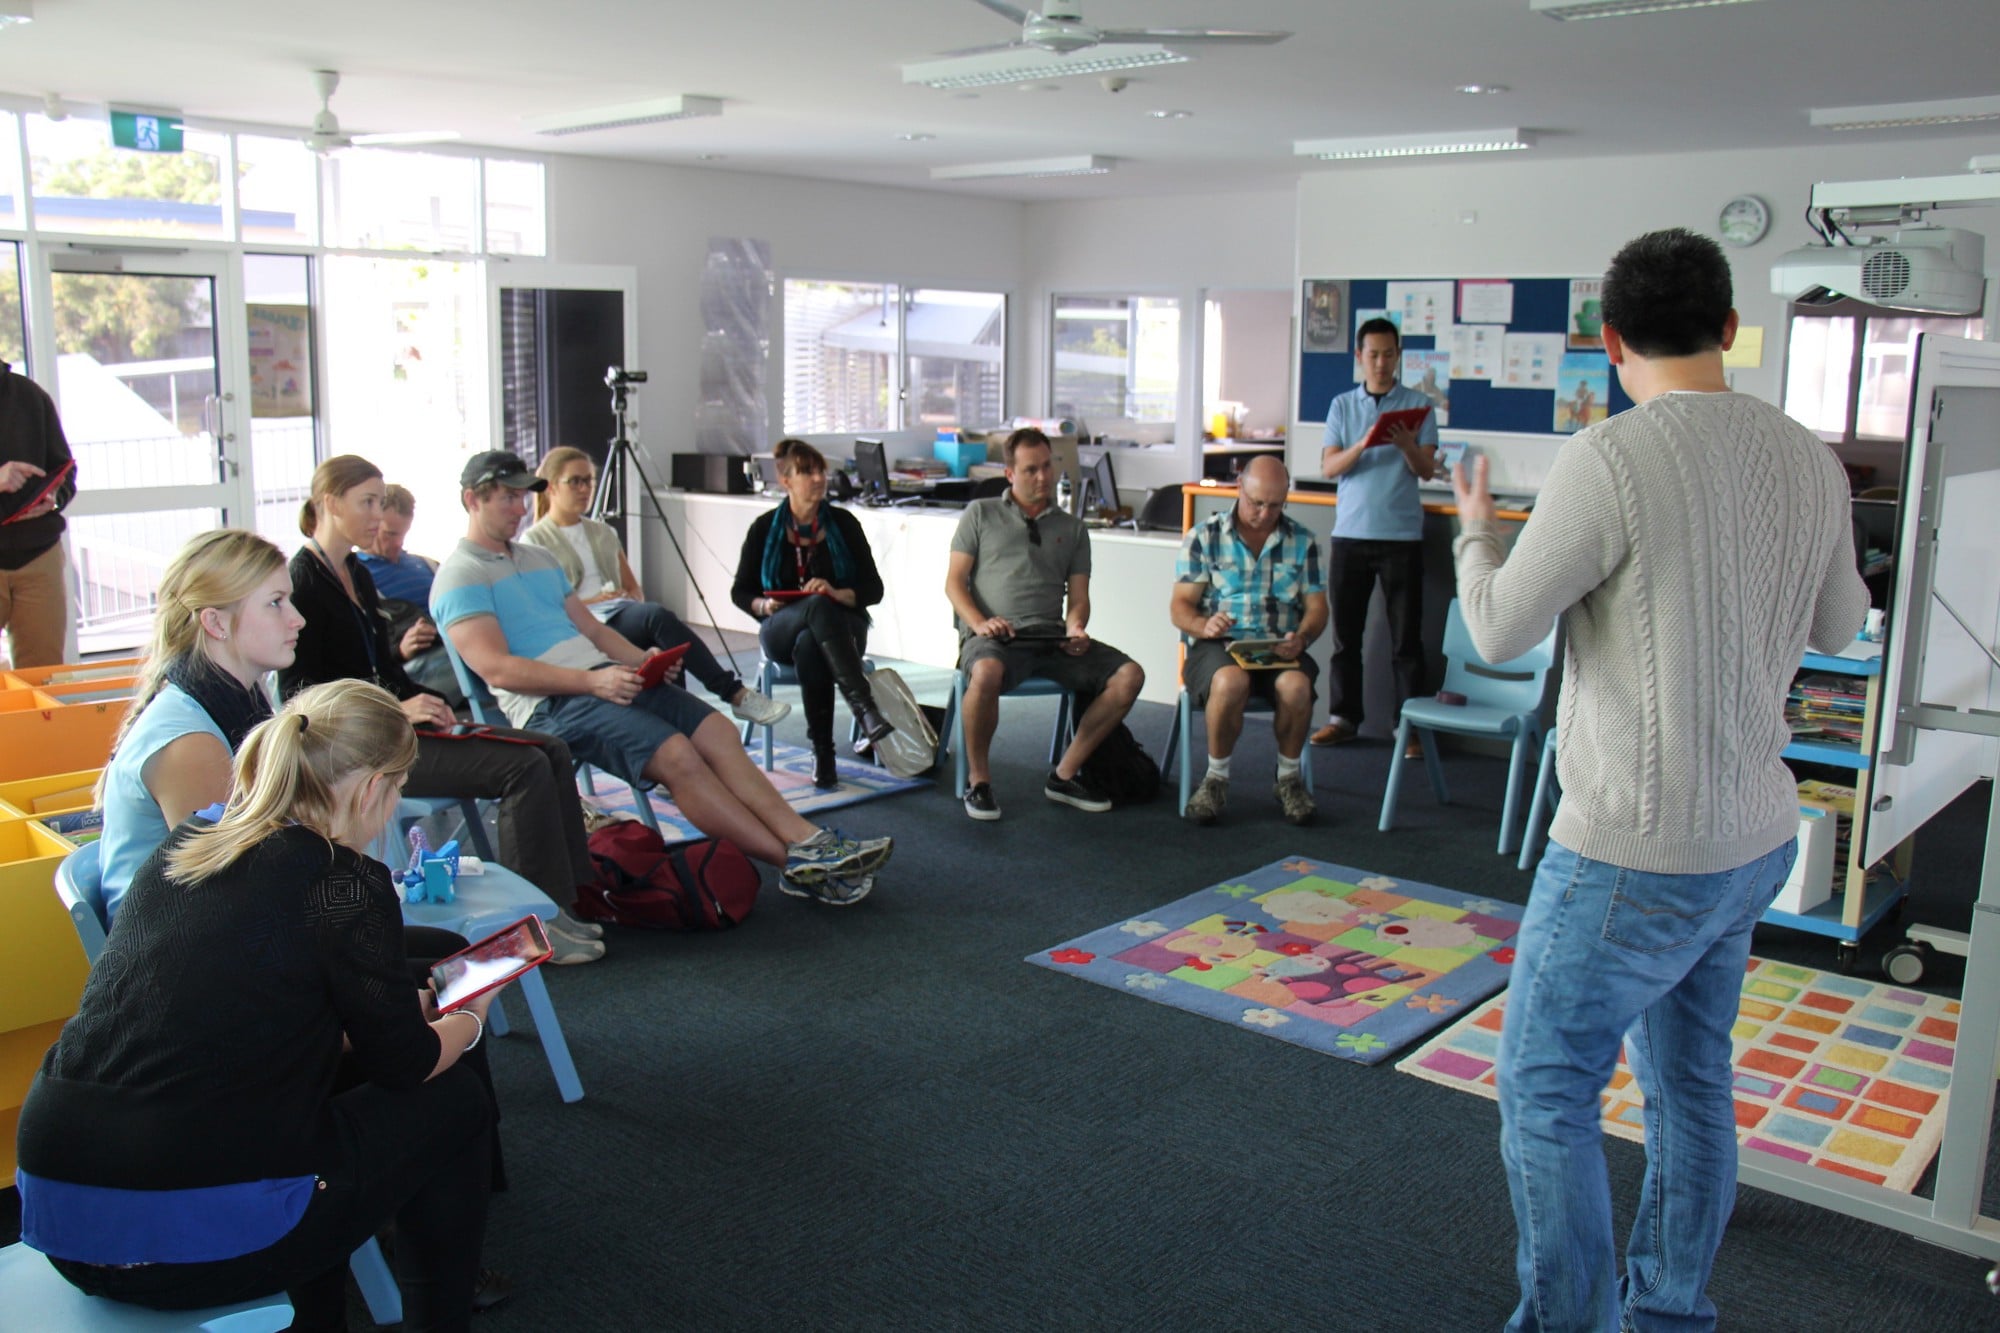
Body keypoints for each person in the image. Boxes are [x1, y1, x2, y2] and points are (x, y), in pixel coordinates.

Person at [1450, 228, 1867, 1332]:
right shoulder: (1806, 456)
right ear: (1728, 331)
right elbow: (1838, 622)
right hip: (1748, 837)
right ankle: (1668, 1309)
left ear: (1608, 340)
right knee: (1688, 1085)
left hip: (1631, 849)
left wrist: (1477, 534)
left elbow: (1494, 629)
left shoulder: (1610, 456)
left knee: (1545, 1090)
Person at [18, 680, 502, 1332]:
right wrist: (470, 1012)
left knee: (303, 1116)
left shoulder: (187, 845)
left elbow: (255, 1021)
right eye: (396, 790)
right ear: (369, 789)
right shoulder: (342, 883)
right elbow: (407, 1065)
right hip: (186, 1245)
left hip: (56, 1214)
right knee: (457, 1098)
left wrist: (401, 1006)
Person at [432, 450, 891, 906]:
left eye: (521, 497)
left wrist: (642, 660)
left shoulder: (537, 558)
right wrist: (593, 682)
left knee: (718, 730)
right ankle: (791, 864)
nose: (518, 509)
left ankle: (808, 838)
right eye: (506, 499)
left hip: (605, 678)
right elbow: (497, 669)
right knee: (679, 757)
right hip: (552, 703)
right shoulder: (460, 576)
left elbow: (592, 629)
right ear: (472, 499)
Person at [283, 454, 605, 964]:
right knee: (523, 768)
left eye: (379, 501)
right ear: (329, 504)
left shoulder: (355, 575)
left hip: (389, 728)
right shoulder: (303, 581)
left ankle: (561, 902)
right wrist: (396, 707)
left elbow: (382, 666)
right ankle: (527, 927)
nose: (377, 514)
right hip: (356, 752)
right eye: (367, 502)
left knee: (551, 749)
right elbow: (300, 695)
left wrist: (418, 697)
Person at [93, 529, 302, 923]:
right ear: (215, 623)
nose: (297, 619)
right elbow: (232, 889)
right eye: (275, 603)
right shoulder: (191, 743)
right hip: (176, 961)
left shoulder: (237, 697)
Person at [944, 426, 1144, 822]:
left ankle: (1065, 773)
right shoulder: (980, 514)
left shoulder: (1072, 528)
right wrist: (980, 624)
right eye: (1031, 470)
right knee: (985, 672)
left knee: (1129, 675)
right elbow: (954, 583)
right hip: (995, 637)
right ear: (1010, 475)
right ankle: (979, 782)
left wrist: (1076, 628)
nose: (1043, 477)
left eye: (1047, 467)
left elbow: (1079, 597)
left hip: (1051, 637)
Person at [523, 445, 790, 731]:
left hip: (620, 613)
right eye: (575, 481)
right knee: (657, 619)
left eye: (589, 480)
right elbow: (546, 611)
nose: (585, 488)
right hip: (580, 624)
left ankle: (691, 726)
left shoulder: (603, 532)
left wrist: (621, 597)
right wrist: (592, 601)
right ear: (551, 488)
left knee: (663, 642)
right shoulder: (535, 542)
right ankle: (730, 695)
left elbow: (634, 591)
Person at [1168, 455, 1328, 826]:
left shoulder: (1302, 541)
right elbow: (1180, 607)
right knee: (1230, 681)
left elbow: (1318, 608)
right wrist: (1203, 625)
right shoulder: (1205, 537)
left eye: (1275, 505)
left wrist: (1301, 638)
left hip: (1279, 645)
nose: (1264, 512)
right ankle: (1216, 778)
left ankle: (1288, 779)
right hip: (1218, 645)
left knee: (1296, 686)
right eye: (1257, 502)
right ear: (1239, 487)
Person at [729, 437, 893, 789]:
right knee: (812, 612)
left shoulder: (844, 524)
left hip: (843, 628)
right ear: (785, 480)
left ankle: (824, 754)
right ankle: (864, 708)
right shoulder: (763, 529)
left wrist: (836, 592)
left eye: (821, 471)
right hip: (779, 627)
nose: (818, 478)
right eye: (807, 472)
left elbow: (873, 590)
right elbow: (740, 592)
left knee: (811, 643)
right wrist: (765, 605)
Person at [1310, 316, 1440, 759]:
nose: (1381, 363)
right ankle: (1343, 719)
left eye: (1389, 354)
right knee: (1347, 636)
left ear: (1398, 356)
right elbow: (1329, 468)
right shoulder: (1342, 406)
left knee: (1407, 641)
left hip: (1401, 536)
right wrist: (1365, 442)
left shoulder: (1419, 405)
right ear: (1359, 357)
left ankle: (1410, 728)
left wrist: (1404, 443)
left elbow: (1426, 469)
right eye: (1373, 354)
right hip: (1351, 534)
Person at [0, 359, 77, 668]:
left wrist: (54, 498)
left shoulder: (29, 396)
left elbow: (65, 471)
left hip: (39, 557)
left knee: (44, 679)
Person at [357, 482, 462, 705]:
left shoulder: (426, 565)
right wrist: (400, 651)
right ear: (374, 523)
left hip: (454, 648)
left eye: (403, 534)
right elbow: (360, 650)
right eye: (390, 534)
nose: (397, 543)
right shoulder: (355, 574)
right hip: (414, 667)